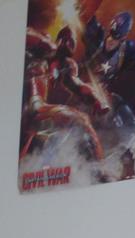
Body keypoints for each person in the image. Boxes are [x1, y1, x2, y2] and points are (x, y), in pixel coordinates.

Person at [20, 25, 110, 162]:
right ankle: (101, 167)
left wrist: (96, 100)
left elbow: (79, 85)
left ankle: (100, 167)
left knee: (81, 121)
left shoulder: (65, 66)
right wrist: (42, 41)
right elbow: (25, 33)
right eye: (68, 40)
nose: (70, 44)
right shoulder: (44, 46)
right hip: (26, 106)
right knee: (81, 120)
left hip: (34, 113)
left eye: (72, 42)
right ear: (61, 40)